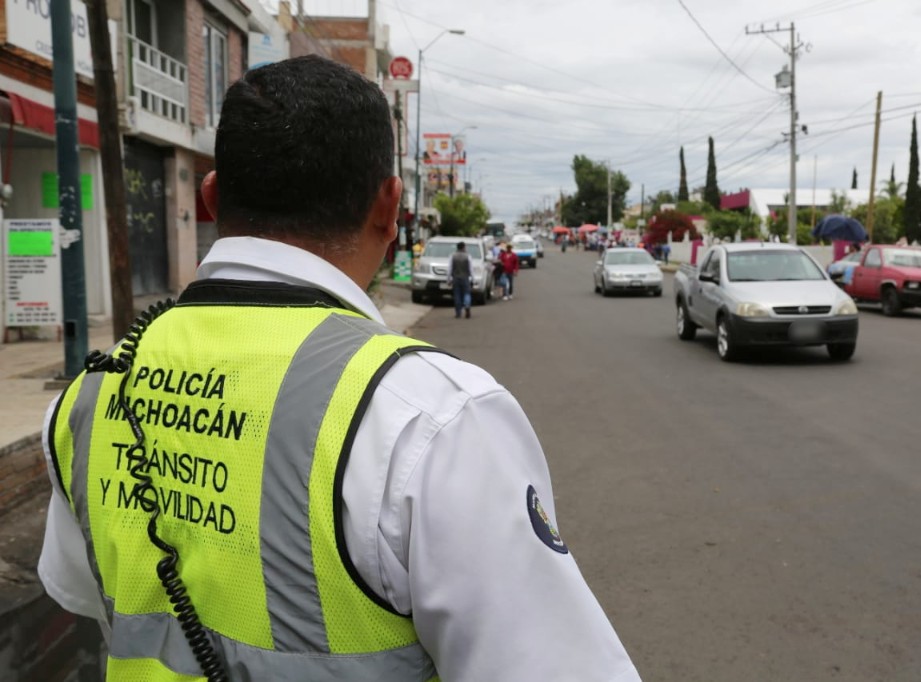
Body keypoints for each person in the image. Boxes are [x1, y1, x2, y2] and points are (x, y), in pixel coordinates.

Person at [37, 55, 640, 682]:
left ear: (211, 198)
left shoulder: (87, 398)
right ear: (389, 207)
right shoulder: (429, 417)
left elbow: (87, 594)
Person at [447, 240, 473, 318]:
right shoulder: (468, 256)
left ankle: (458, 312)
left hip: (456, 278)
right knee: (467, 293)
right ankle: (467, 306)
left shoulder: (452, 256)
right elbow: (471, 269)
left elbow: (450, 268)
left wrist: (448, 279)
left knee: (457, 295)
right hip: (465, 277)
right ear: (464, 247)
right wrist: (473, 279)